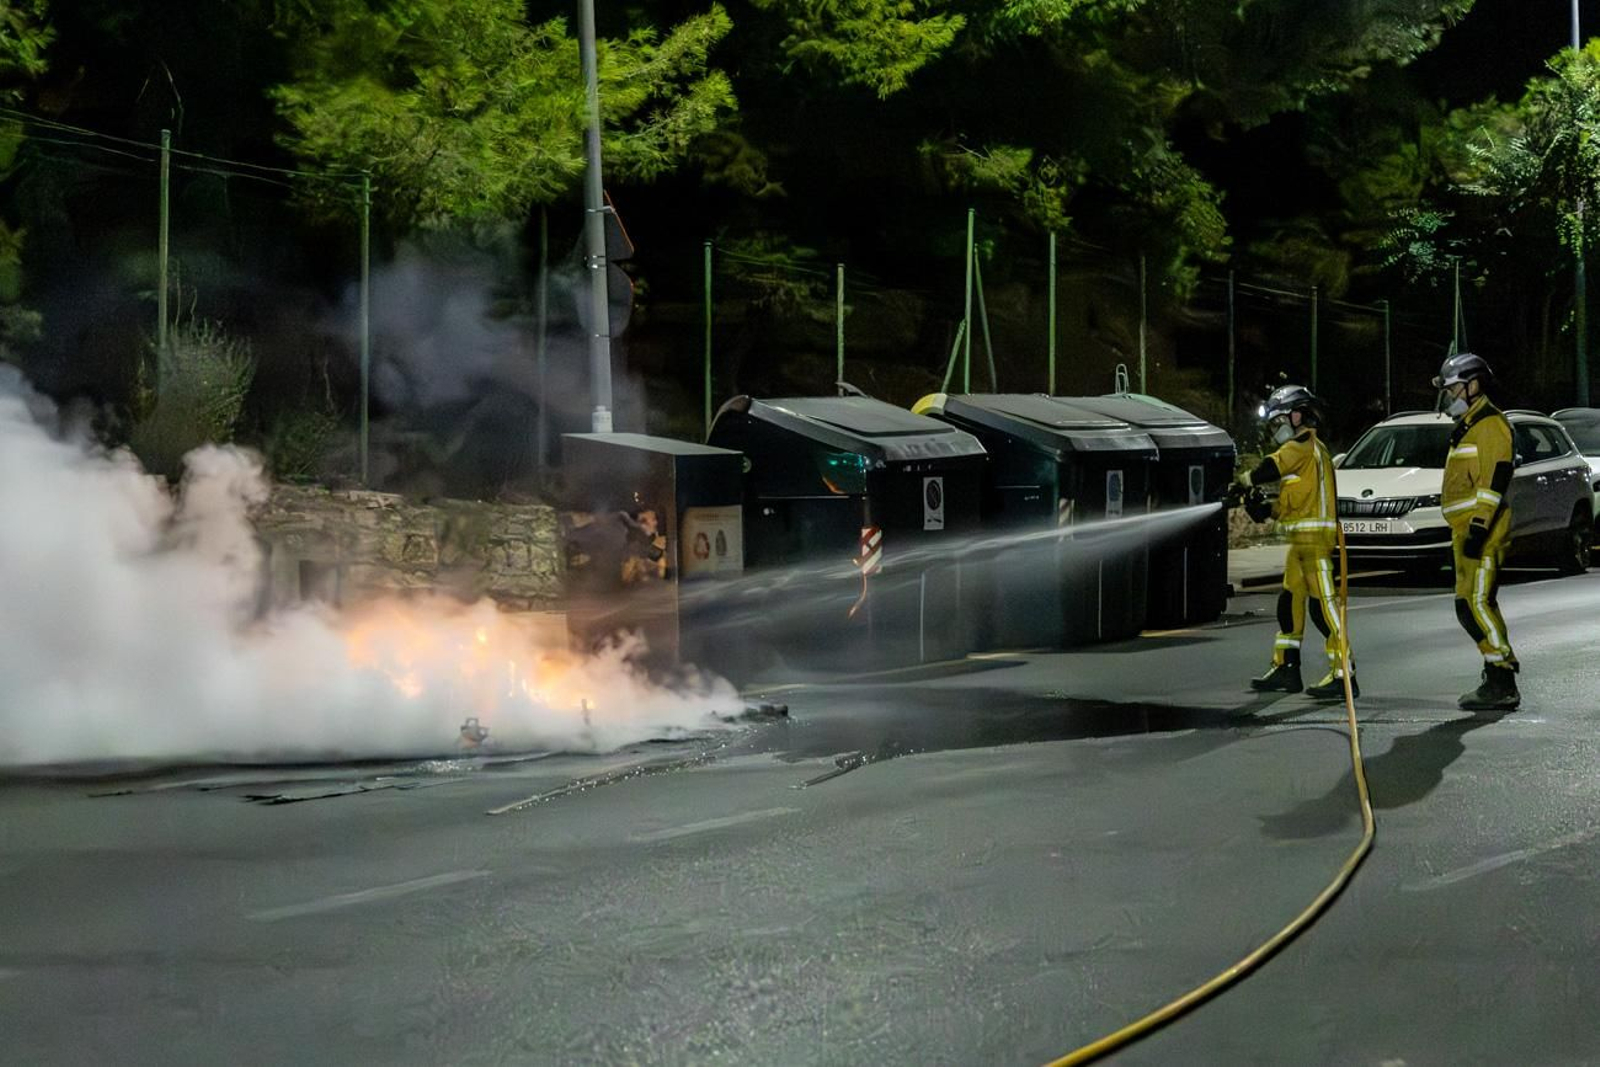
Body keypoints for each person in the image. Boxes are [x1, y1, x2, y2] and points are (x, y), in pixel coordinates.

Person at [1234, 384, 1356, 700]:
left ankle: (1345, 673)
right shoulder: (1303, 458)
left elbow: (1272, 465)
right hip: (1300, 544)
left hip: (1314, 542)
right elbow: (1293, 504)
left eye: (1278, 422)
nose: (1276, 430)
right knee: (1289, 604)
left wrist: (1243, 481)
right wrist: (1265, 509)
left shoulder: (1305, 445)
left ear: (1297, 415)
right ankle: (1287, 668)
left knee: (1323, 608)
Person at [1434, 353, 1520, 710]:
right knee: (1466, 606)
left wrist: (1479, 529)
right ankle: (1495, 671)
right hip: (1465, 532)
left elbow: (1492, 483)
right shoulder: (1470, 425)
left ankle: (1502, 678)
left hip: (1482, 533)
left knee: (1477, 604)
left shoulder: (1490, 425)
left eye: (1453, 389)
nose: (1448, 396)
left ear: (1473, 386)